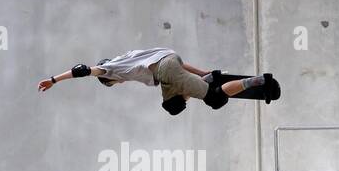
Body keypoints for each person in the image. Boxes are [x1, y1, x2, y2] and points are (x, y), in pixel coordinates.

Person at [37, 47, 280, 115]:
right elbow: (179, 65)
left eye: (112, 84)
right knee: (172, 105)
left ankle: (255, 81)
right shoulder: (132, 55)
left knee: (216, 99)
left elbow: (81, 70)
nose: (117, 84)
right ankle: (206, 80)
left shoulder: (110, 70)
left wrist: (53, 80)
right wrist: (203, 72)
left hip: (166, 73)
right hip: (170, 63)